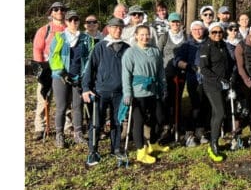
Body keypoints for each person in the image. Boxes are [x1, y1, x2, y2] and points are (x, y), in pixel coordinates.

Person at [82, 17, 130, 165]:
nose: (118, 30)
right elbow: (90, 69)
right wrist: (85, 88)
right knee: (96, 122)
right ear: (108, 29)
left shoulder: (126, 48)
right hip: (100, 91)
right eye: (115, 27)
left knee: (117, 121)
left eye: (120, 28)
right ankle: (93, 150)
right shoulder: (100, 47)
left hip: (120, 92)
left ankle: (115, 148)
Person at [121, 25, 169, 164]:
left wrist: (163, 86)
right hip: (138, 92)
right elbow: (126, 74)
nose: (145, 37)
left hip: (154, 90)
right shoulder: (130, 52)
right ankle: (141, 151)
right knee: (139, 121)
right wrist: (127, 93)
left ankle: (153, 143)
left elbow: (160, 71)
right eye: (141, 35)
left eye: (147, 34)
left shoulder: (155, 51)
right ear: (136, 36)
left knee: (158, 118)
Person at [48, 9, 95, 147]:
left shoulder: (87, 39)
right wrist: (62, 72)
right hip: (61, 77)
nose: (73, 22)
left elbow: (89, 59)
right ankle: (59, 135)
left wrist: (84, 74)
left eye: (76, 20)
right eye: (70, 20)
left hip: (78, 77)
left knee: (77, 106)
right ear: (66, 22)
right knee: (62, 106)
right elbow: (53, 56)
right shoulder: (59, 37)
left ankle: (78, 134)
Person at [199, 22, 235, 162]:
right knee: (220, 113)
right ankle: (213, 144)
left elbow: (228, 64)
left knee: (216, 114)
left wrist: (230, 76)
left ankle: (213, 142)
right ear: (209, 33)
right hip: (212, 85)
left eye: (219, 32)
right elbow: (204, 69)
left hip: (223, 85)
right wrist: (219, 79)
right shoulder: (206, 47)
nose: (217, 35)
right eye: (214, 32)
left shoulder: (223, 46)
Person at [31, 1, 67, 140]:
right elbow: (37, 49)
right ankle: (40, 127)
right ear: (51, 12)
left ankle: (67, 126)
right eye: (56, 9)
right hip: (46, 67)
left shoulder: (68, 29)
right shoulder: (44, 30)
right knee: (43, 98)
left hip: (63, 68)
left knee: (65, 99)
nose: (59, 12)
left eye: (62, 9)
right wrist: (39, 68)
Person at [173, 21, 209, 146]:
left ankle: (201, 131)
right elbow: (176, 61)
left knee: (206, 104)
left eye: (200, 29)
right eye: (195, 30)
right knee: (196, 105)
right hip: (193, 78)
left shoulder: (208, 42)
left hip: (209, 79)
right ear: (191, 31)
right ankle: (190, 131)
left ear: (204, 30)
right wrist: (188, 66)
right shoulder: (186, 45)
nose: (198, 32)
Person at [157, 12, 187, 144]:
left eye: (177, 22)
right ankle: (166, 126)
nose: (175, 24)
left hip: (181, 72)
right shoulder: (164, 37)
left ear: (181, 23)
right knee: (167, 99)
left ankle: (177, 125)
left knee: (178, 99)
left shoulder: (186, 37)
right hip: (166, 72)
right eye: (173, 22)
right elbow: (158, 54)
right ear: (169, 23)